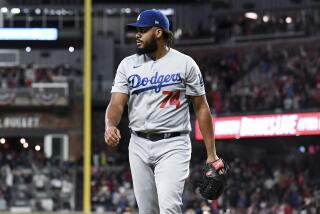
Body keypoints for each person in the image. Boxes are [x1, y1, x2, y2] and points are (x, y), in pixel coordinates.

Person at [104, 9, 220, 214]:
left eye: (143, 30)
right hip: (138, 143)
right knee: (147, 211)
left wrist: (212, 154)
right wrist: (110, 125)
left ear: (158, 32)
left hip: (173, 144)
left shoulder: (185, 64)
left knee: (169, 208)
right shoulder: (128, 65)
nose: (137, 35)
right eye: (137, 30)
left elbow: (201, 107)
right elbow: (116, 104)